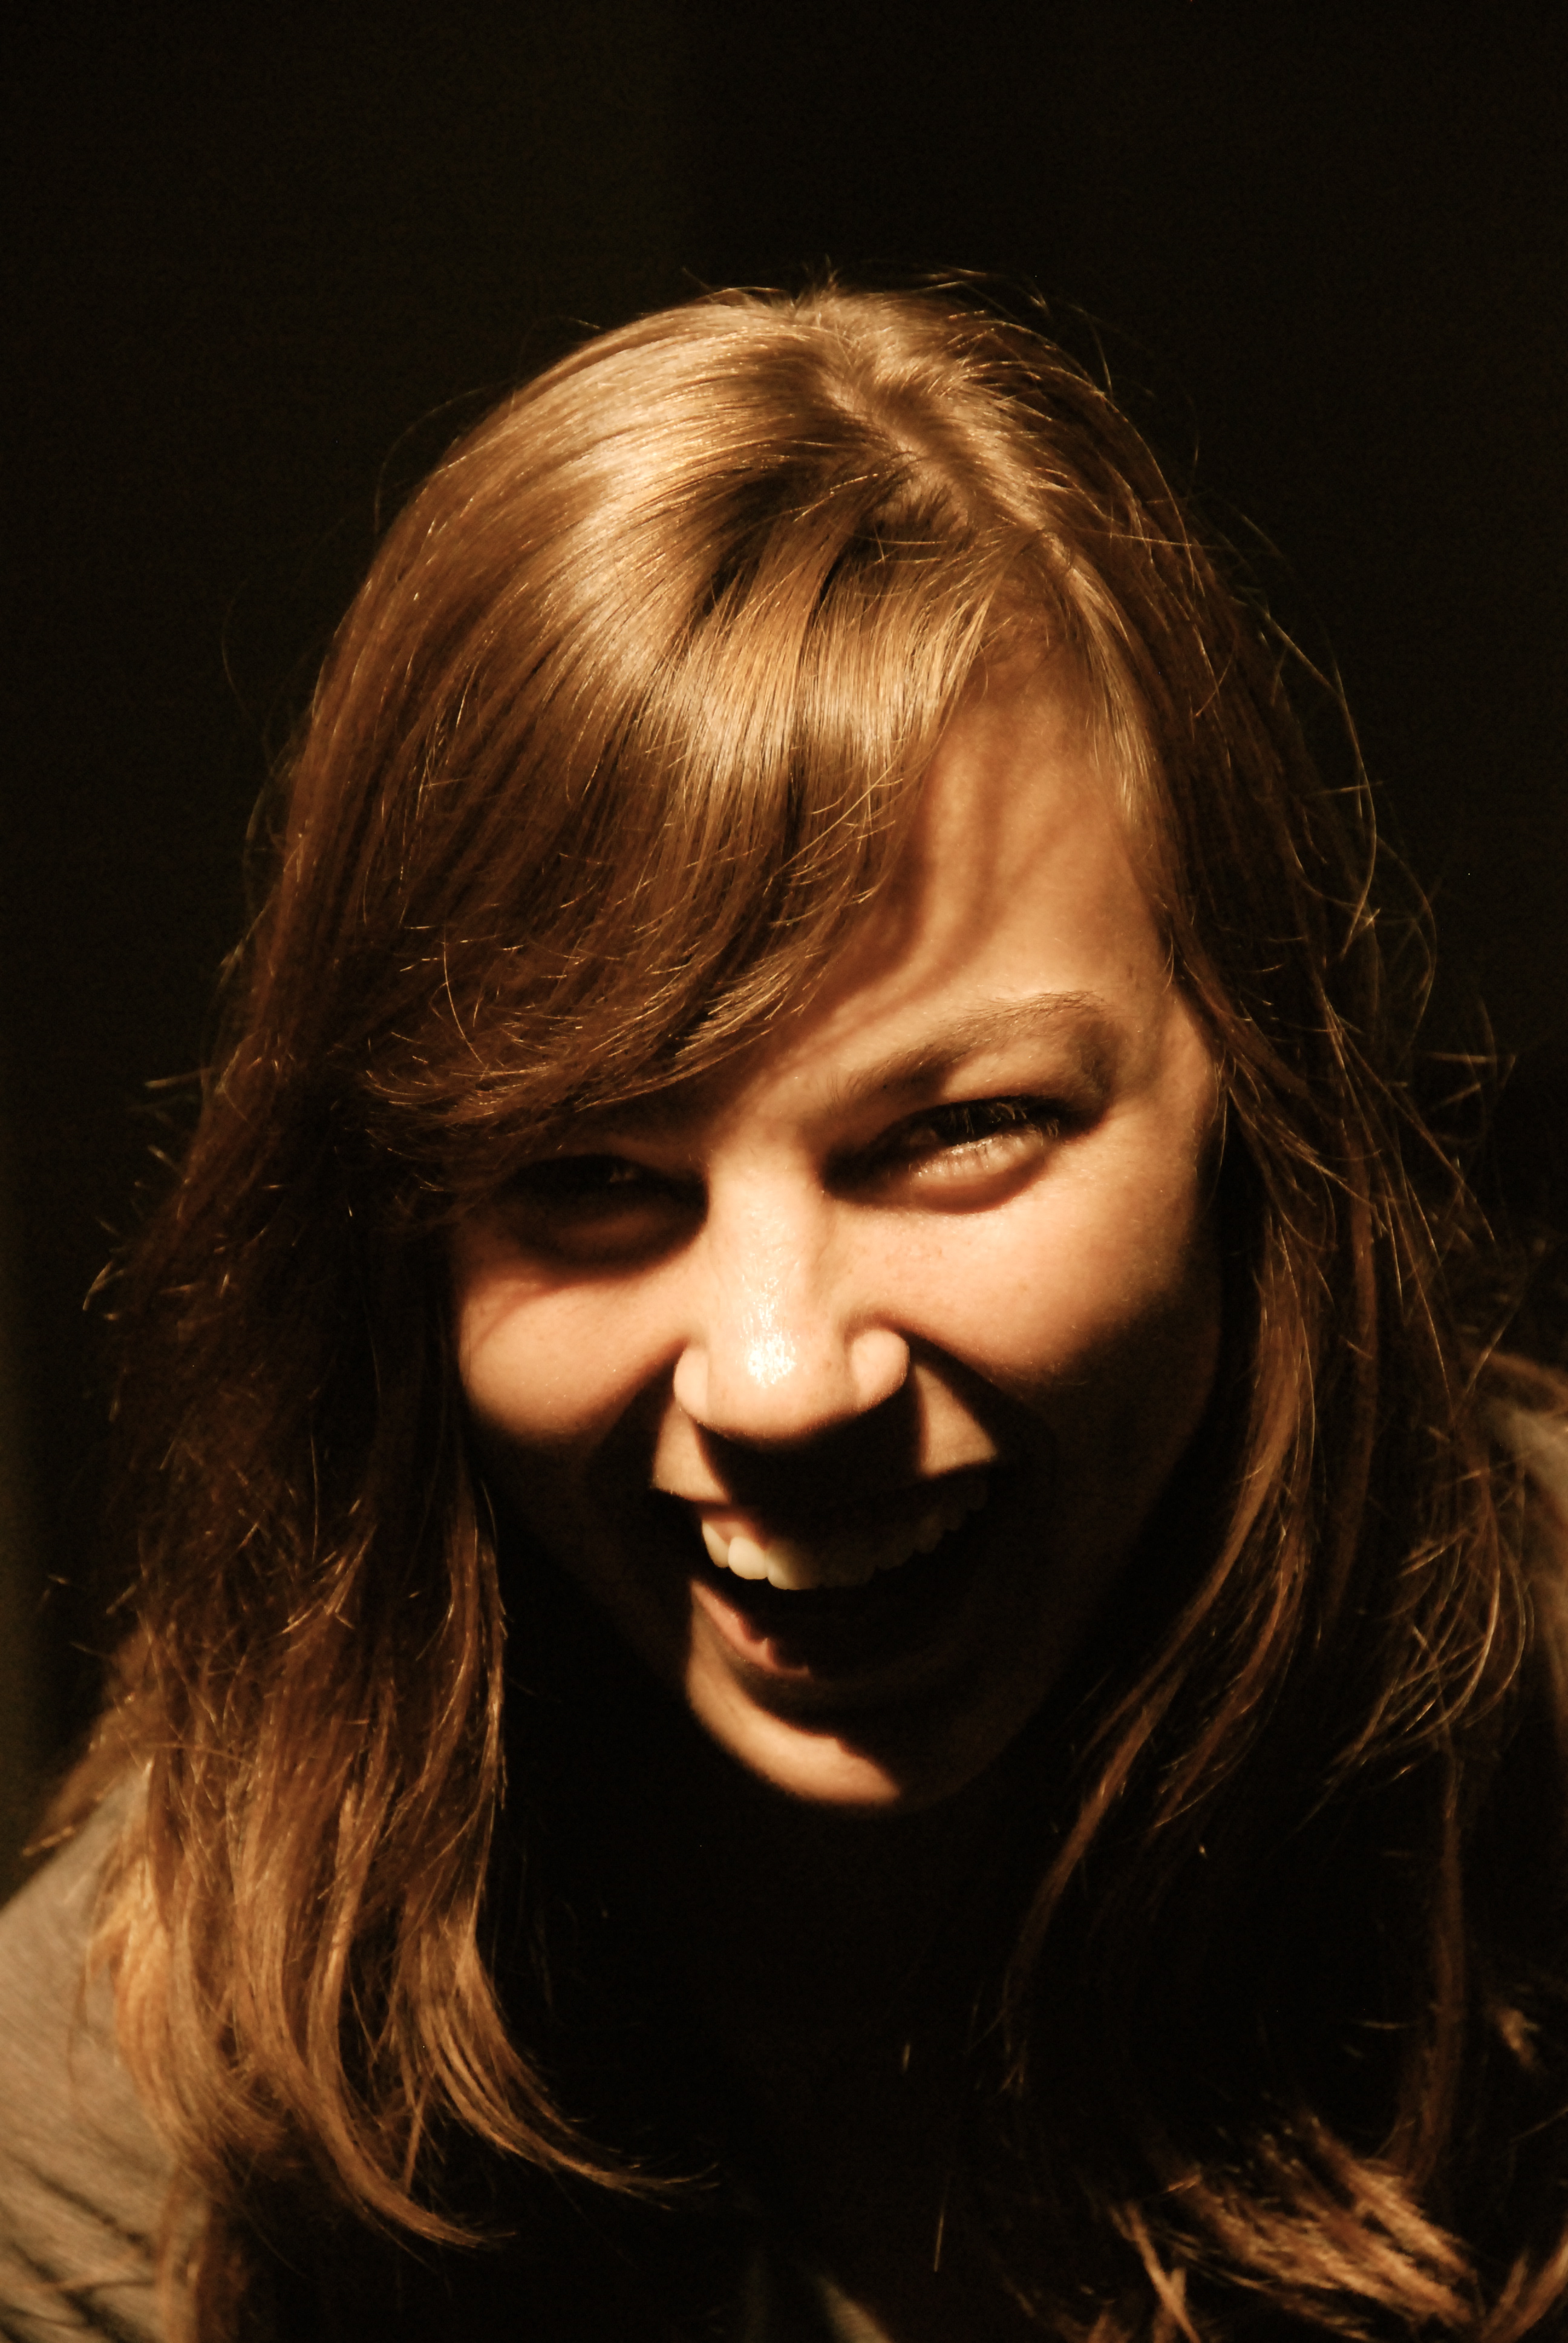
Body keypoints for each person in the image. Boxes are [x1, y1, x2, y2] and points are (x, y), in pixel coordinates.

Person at [1, 283, 1565, 2343]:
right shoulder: (143, 2109)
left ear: (1259, 1114)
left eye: (960, 1131)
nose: (776, 1376)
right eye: (589, 1176)